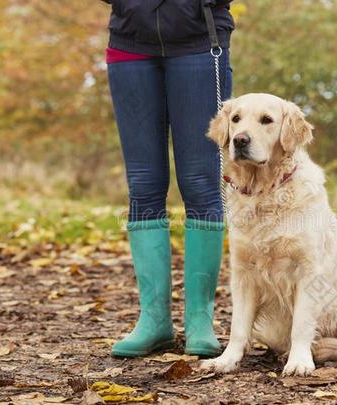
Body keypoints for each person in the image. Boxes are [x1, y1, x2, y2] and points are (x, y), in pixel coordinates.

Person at [101, 0, 234, 358]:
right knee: (143, 184)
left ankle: (199, 321)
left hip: (200, 41)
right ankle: (154, 320)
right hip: (129, 43)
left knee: (201, 182)